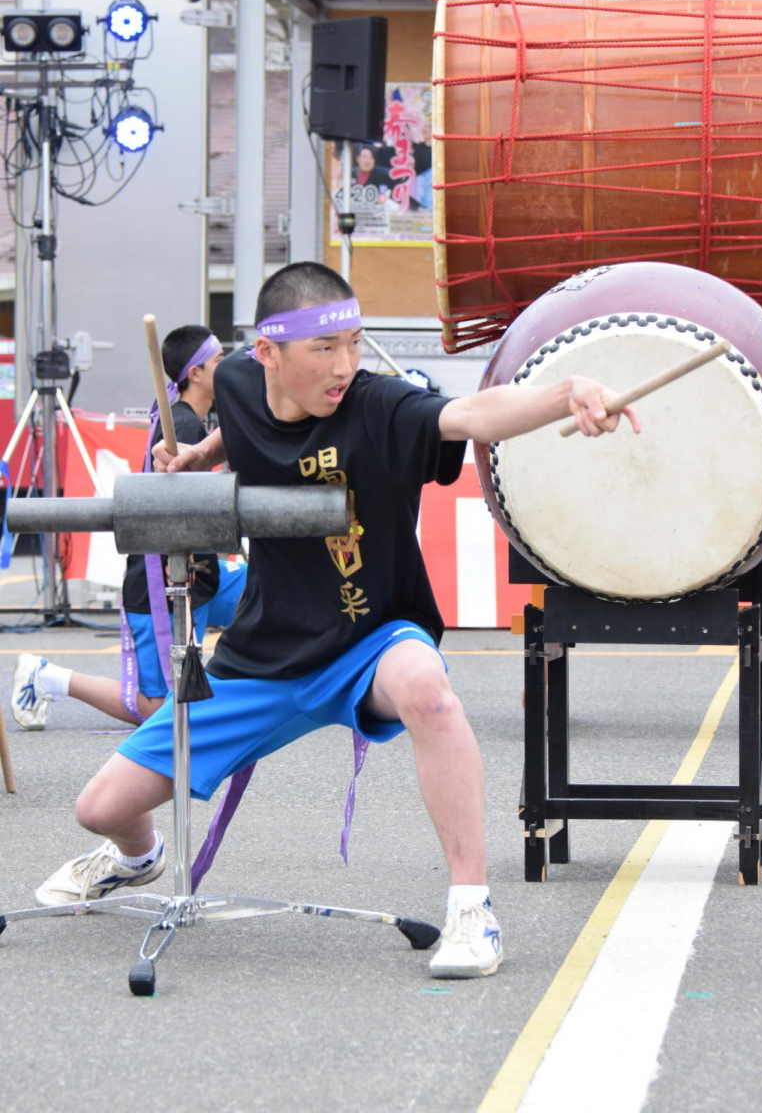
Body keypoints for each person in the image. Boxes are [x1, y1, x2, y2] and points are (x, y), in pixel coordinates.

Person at [31, 263, 639, 979]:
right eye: (324, 348)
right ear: (268, 353)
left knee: (427, 688)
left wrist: (566, 393)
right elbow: (243, 427)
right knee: (100, 807)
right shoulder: (236, 380)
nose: (345, 364)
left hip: (368, 640)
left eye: (353, 342)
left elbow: (471, 415)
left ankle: (471, 909)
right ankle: (137, 858)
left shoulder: (379, 405)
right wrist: (200, 454)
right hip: (262, 654)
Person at [10, 324, 246, 730]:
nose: (226, 370)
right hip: (167, 581)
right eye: (219, 361)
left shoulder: (188, 421)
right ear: (195, 373)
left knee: (272, 593)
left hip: (202, 574)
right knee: (157, 710)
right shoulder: (182, 426)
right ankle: (47, 676)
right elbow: (173, 512)